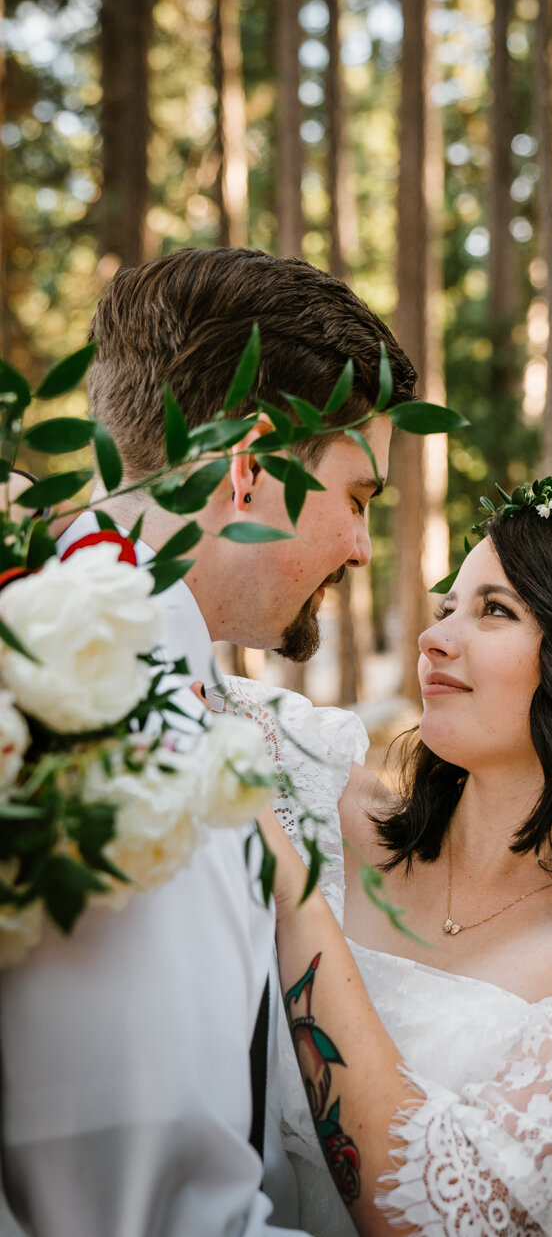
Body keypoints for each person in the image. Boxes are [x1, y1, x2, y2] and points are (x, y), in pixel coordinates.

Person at [0, 246, 417, 1237]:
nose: (363, 548)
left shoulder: (59, 653)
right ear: (248, 464)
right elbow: (152, 1218)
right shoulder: (131, 749)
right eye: (359, 499)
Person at [263, 479, 552, 1236]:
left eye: (495, 610)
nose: (435, 637)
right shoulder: (323, 803)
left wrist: (293, 900)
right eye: (446, 607)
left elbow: (451, 1220)